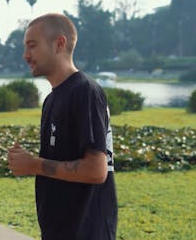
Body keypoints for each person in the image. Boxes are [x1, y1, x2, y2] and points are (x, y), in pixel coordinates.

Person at [7, 13, 117, 240]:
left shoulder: (85, 92)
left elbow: (97, 171)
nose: (26, 55)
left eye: (32, 46)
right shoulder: (52, 99)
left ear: (59, 43)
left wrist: (34, 165)